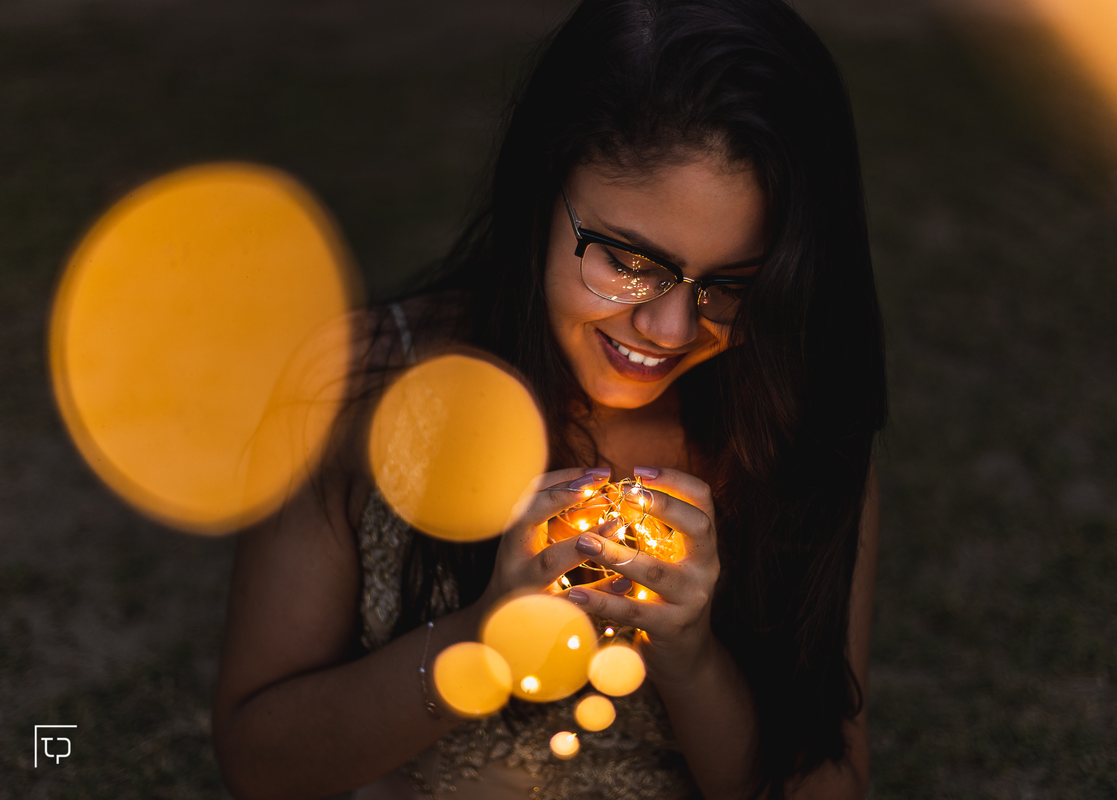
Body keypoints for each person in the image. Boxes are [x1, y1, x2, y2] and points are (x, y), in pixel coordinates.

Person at [212, 0, 887, 798]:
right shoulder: (361, 387)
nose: (670, 328)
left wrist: (691, 658)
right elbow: (260, 765)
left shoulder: (794, 420)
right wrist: (486, 638)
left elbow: (826, 784)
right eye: (629, 259)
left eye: (736, 285)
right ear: (541, 191)